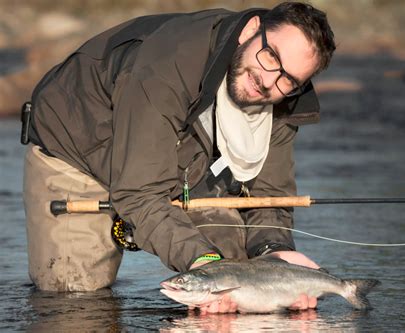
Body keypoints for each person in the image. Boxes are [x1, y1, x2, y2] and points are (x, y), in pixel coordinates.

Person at [22, 1, 335, 313]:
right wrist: (206, 264)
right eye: (271, 57)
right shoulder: (168, 62)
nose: (268, 81)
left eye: (288, 79)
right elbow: (139, 194)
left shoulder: (283, 99)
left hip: (186, 168)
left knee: (244, 285)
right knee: (73, 301)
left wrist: (275, 256)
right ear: (251, 30)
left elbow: (270, 195)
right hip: (77, 152)